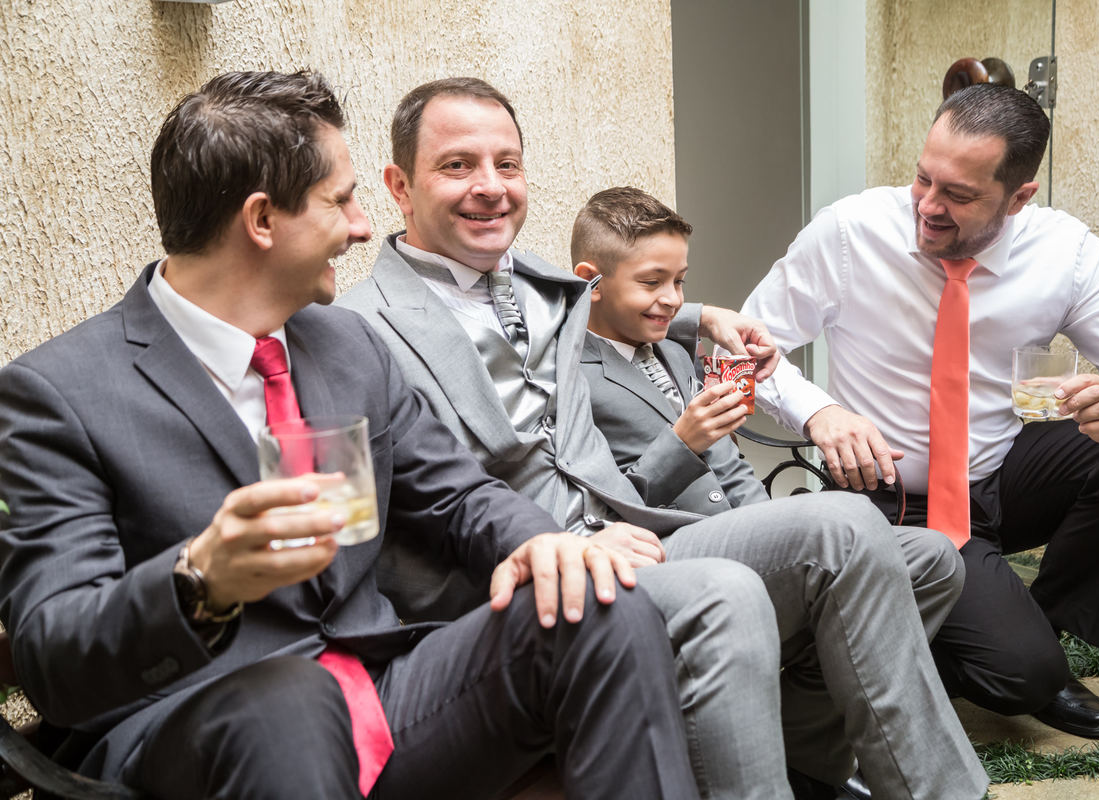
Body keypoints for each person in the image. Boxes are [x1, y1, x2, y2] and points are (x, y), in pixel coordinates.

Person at [0, 70, 702, 800]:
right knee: (290, 702)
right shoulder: (59, 393)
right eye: (341, 200)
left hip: (382, 694)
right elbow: (55, 652)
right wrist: (197, 583)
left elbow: (456, 496)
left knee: (598, 601)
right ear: (262, 220)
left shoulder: (347, 347)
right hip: (199, 726)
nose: (365, 225)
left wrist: (538, 542)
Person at [339, 77, 988, 800]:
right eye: (457, 165)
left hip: (634, 532)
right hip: (519, 586)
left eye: (508, 164)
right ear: (400, 185)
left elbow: (617, 288)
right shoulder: (362, 327)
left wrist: (709, 317)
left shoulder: (539, 286)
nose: (491, 187)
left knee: (852, 524)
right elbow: (404, 522)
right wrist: (557, 548)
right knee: (730, 589)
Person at [743, 83, 1099, 739]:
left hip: (1000, 477)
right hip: (891, 497)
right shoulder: (850, 232)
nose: (927, 207)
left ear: (1018, 198)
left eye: (957, 195)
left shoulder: (1063, 251)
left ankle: (1036, 628)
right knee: (1021, 678)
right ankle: (1013, 655)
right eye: (922, 180)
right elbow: (742, 349)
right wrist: (819, 413)